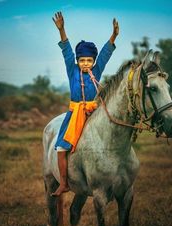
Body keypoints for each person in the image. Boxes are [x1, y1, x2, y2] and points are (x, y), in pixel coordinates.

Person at [51, 11, 119, 196]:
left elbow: (105, 53)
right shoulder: (72, 70)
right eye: (82, 60)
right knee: (60, 147)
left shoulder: (97, 69)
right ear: (77, 61)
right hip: (74, 115)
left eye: (89, 60)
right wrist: (62, 30)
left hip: (95, 112)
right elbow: (66, 50)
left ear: (94, 61)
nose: (86, 63)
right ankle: (64, 183)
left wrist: (113, 36)